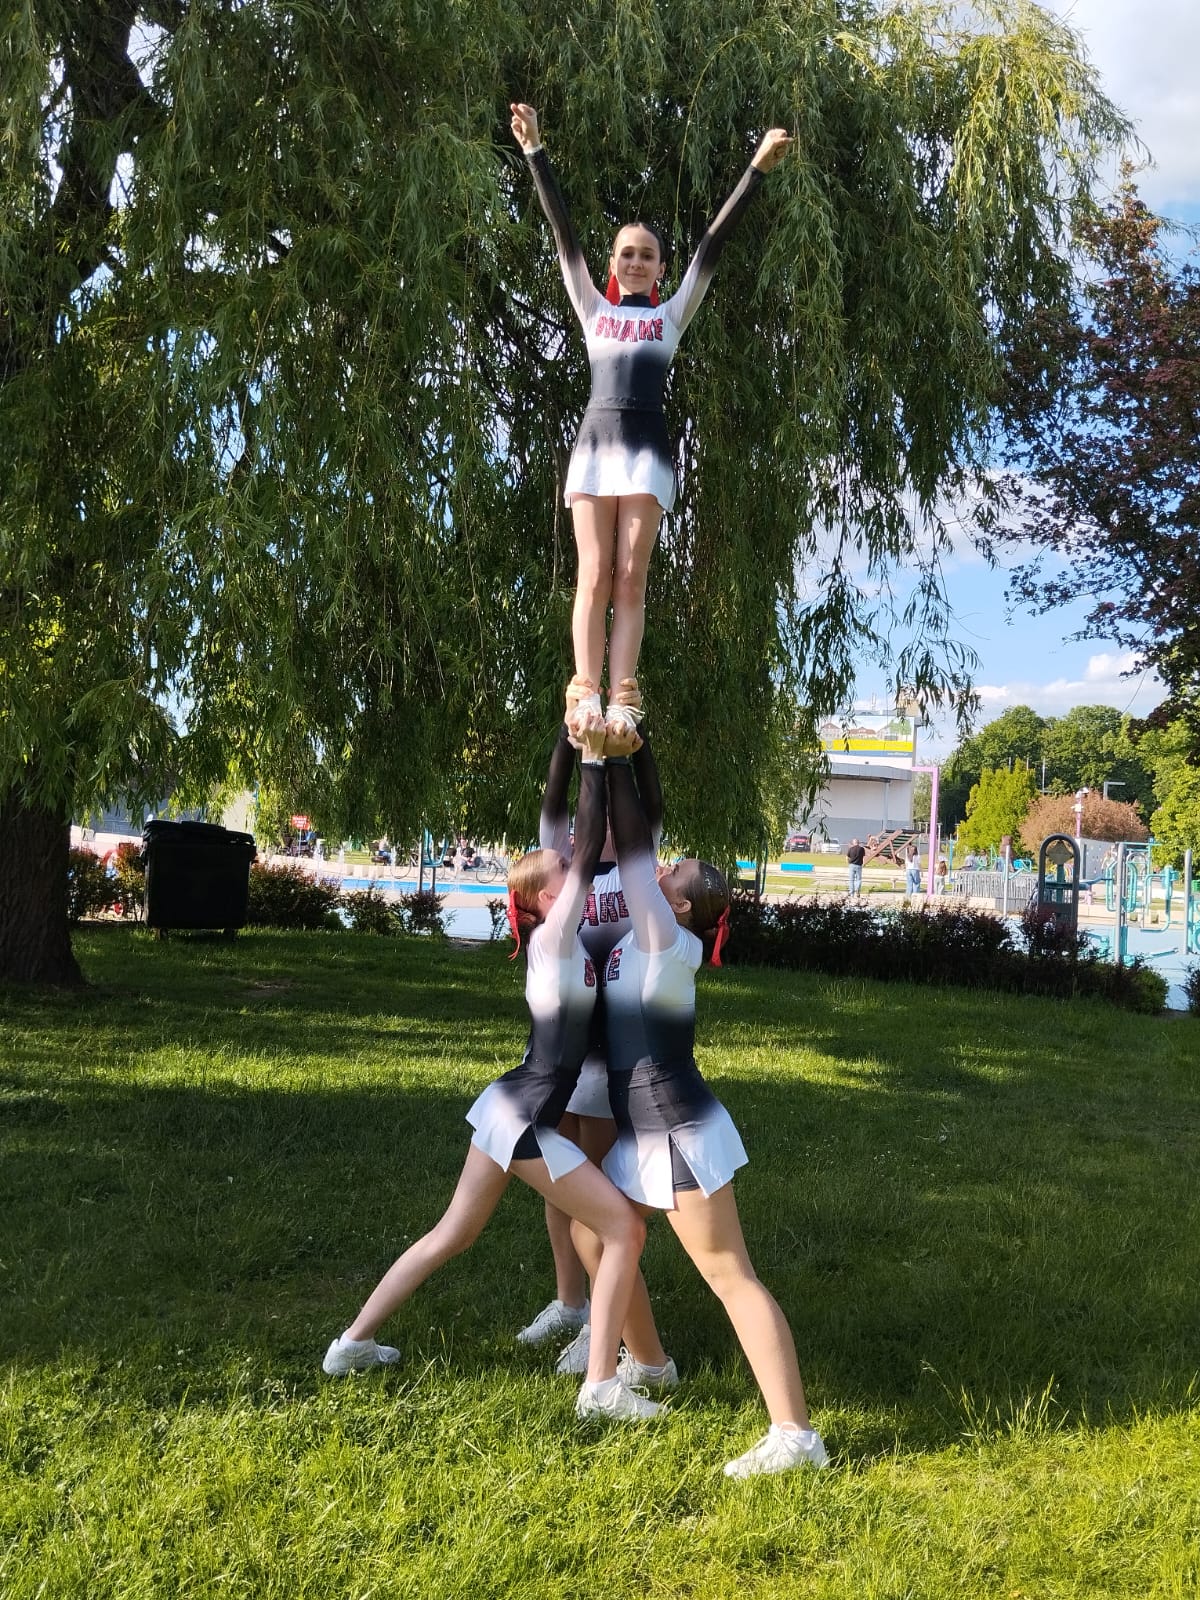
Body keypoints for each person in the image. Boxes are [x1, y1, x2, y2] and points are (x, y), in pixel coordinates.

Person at [322, 717, 660, 1421]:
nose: (572, 864)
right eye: (563, 874)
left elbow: (582, 845)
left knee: (454, 1234)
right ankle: (602, 1388)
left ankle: (350, 1344)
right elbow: (586, 840)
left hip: (510, 1107)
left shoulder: (552, 940)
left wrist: (585, 745)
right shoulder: (556, 938)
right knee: (623, 1230)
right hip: (528, 1117)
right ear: (547, 900)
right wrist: (593, 755)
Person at [510, 101, 792, 744]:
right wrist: (534, 152)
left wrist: (755, 169)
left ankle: (623, 700)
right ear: (613, 263)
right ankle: (585, 691)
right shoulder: (593, 309)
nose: (636, 262)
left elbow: (713, 243)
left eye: (647, 256)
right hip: (594, 448)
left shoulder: (670, 316)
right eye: (626, 254)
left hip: (646, 451)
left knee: (631, 577)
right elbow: (563, 235)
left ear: (662, 268)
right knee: (593, 574)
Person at [584, 741, 829, 1477]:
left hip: (676, 1131)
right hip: (644, 1129)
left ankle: (796, 1436)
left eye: (673, 875)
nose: (661, 871)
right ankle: (651, 1364)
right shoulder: (654, 932)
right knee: (596, 1231)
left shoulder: (664, 939)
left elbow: (634, 849)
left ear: (682, 905)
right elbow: (640, 837)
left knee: (729, 1274)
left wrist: (609, 756)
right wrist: (636, 753)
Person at [516, 723, 667, 1382]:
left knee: (600, 1186)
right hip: (563, 1055)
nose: (590, 822)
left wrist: (635, 736)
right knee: (561, 1180)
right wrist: (571, 729)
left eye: (600, 812)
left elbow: (650, 798)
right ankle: (569, 1301)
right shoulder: (563, 857)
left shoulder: (635, 854)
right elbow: (557, 796)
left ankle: (605, 1327)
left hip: (612, 1054)